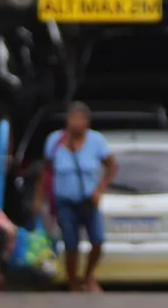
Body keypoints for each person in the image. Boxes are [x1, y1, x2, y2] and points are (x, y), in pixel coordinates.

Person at [45, 102, 116, 292]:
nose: (76, 123)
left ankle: (88, 276)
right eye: (72, 118)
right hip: (65, 201)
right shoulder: (55, 141)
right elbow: (46, 170)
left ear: (87, 122)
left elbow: (111, 166)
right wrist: (41, 198)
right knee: (71, 242)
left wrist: (99, 190)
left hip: (88, 200)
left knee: (98, 239)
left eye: (80, 119)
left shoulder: (96, 141)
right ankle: (73, 281)